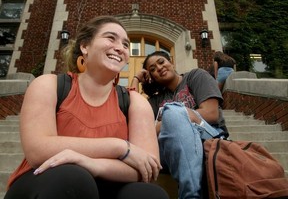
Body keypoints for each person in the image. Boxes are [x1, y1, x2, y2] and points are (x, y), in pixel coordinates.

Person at [4, 16, 169, 199]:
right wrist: (118, 147)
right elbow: (38, 150)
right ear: (85, 46)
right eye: (110, 38)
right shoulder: (49, 85)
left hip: (107, 182)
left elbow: (148, 168)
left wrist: (90, 163)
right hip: (45, 180)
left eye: (125, 44)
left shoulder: (134, 102)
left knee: (149, 194)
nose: (120, 48)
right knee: (72, 177)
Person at [130, 51, 228, 199]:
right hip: (171, 147)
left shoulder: (195, 76)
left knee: (173, 112)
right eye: (152, 69)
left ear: (171, 63)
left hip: (208, 137)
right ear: (152, 77)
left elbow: (211, 113)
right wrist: (136, 78)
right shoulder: (156, 101)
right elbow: (140, 124)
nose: (159, 67)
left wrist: (173, 119)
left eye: (161, 62)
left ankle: (191, 195)